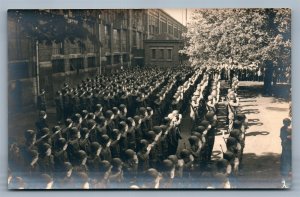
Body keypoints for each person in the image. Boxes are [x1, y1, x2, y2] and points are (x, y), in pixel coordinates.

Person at [280, 118, 292, 188]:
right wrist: (288, 137)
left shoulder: (287, 129)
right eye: (288, 123)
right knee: (286, 159)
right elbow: (283, 137)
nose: (289, 124)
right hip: (286, 146)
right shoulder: (283, 129)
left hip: (287, 146)